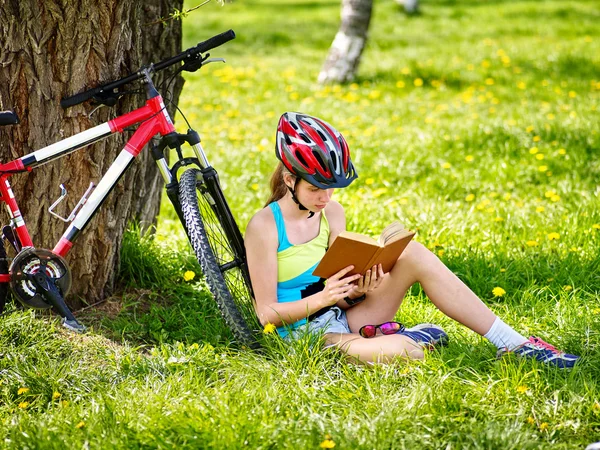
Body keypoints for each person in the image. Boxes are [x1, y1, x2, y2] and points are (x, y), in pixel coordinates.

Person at [244, 112, 579, 368]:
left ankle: (514, 343)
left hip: (341, 316)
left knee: (413, 253)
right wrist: (323, 299)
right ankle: (403, 338)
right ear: (289, 179)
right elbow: (267, 314)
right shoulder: (265, 226)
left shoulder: (332, 212)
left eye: (331, 188)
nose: (325, 198)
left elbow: (341, 296)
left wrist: (358, 290)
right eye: (315, 189)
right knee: (407, 352)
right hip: (304, 336)